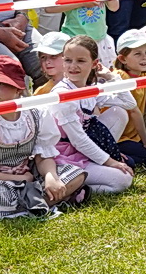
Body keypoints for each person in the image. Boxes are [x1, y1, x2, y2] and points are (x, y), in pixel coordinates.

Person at [0, 54, 87, 226]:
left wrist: (51, 176)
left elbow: (43, 155)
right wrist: (19, 180)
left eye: (0, 84)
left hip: (28, 174)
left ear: (18, 88)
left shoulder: (36, 113)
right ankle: (42, 202)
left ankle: (11, 208)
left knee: (75, 173)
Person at [49, 35, 135, 195]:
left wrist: (111, 77)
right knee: (123, 180)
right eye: (68, 60)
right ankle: (76, 192)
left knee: (119, 113)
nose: (73, 66)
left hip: (82, 150)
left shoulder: (90, 88)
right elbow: (77, 140)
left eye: (80, 61)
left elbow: (129, 104)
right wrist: (111, 163)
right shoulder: (63, 94)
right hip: (62, 156)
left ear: (95, 64)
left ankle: (94, 167)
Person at [107, 28, 146, 167]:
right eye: (137, 53)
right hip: (118, 137)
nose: (144, 57)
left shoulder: (143, 75)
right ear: (122, 59)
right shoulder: (121, 77)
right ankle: (115, 155)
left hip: (133, 136)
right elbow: (134, 112)